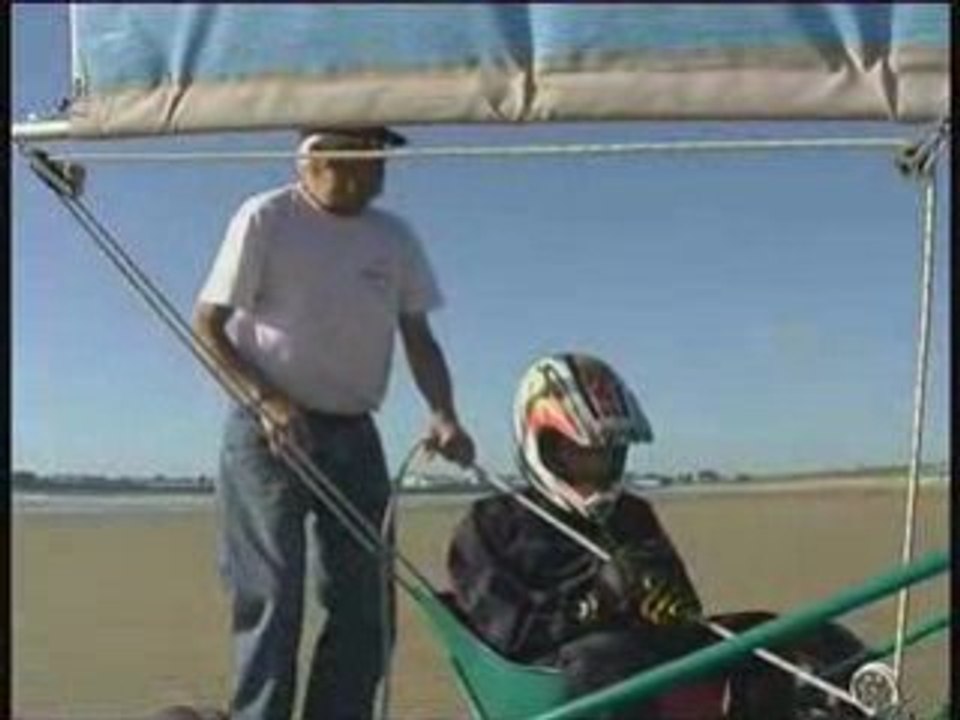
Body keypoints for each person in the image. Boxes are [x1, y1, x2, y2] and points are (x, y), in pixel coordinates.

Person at [193, 126, 475, 720]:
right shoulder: (266, 217)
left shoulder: (394, 238)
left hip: (354, 433)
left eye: (379, 161)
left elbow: (418, 338)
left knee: (366, 606)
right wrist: (267, 400)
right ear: (311, 160)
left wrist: (444, 412)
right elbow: (208, 326)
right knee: (273, 598)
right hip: (266, 433)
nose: (373, 173)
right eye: (356, 160)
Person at [447, 353, 790, 719]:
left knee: (766, 634)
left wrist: (669, 600)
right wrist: (598, 600)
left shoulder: (632, 513)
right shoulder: (492, 522)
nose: (595, 468)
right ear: (542, 446)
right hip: (553, 674)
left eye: (605, 454)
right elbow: (508, 636)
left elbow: (687, 613)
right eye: (579, 454)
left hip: (642, 651)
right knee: (608, 659)